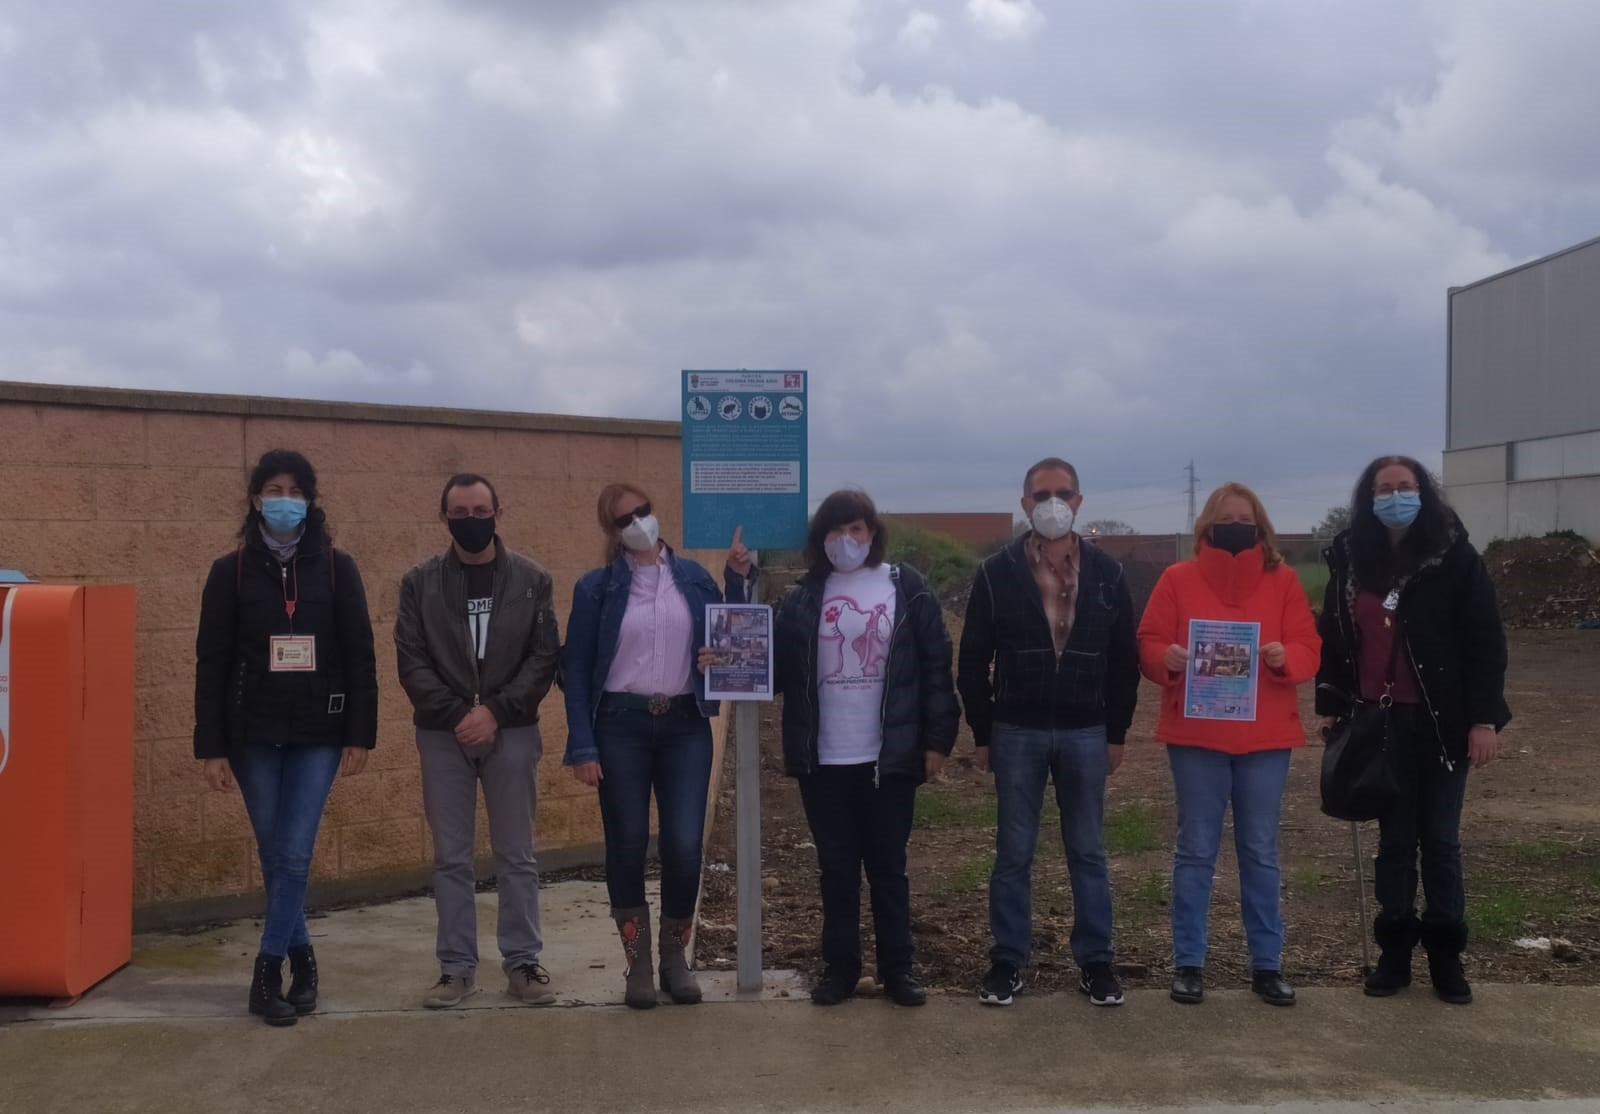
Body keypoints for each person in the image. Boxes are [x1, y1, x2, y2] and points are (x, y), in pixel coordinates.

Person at [749, 489, 960, 1007]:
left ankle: (899, 969)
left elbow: (936, 666)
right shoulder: (802, 598)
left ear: (872, 532)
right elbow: (774, 672)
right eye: (835, 531)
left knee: (888, 866)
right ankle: (840, 968)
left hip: (889, 757)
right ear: (821, 539)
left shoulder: (904, 587)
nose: (846, 541)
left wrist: (937, 741)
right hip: (822, 758)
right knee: (837, 869)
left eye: (856, 530)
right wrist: (728, 653)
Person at [1316, 455, 1510, 1005]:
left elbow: (1485, 642)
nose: (1395, 495)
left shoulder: (1456, 557)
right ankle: (1394, 954)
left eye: (1405, 487)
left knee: (1441, 841)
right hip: (1378, 721)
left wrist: (1484, 719)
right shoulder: (1351, 558)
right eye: (1384, 488)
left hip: (1444, 722)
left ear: (1423, 493)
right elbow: (1333, 635)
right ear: (1369, 497)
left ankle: (1447, 957)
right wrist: (1330, 701)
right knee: (1396, 841)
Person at [194, 449, 378, 1027]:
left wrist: (360, 733)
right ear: (255, 500)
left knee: (294, 853)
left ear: (310, 502)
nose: (285, 500)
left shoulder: (337, 567)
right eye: (274, 489)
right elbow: (212, 661)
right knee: (276, 857)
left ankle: (266, 970)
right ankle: (304, 960)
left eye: (296, 492)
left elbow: (360, 654)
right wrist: (212, 745)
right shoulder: (230, 571)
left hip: (320, 732)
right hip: (252, 733)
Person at [562, 485, 754, 1009]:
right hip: (619, 727)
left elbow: (733, 634)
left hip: (685, 725)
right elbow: (575, 669)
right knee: (626, 844)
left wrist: (738, 578)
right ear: (611, 529)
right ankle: (637, 964)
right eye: (624, 518)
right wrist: (582, 744)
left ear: (655, 511)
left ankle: (675, 958)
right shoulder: (595, 588)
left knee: (684, 844)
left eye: (642, 512)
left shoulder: (693, 578)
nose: (637, 523)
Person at [958, 458, 1139, 1008]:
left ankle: (1097, 962)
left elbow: (1124, 660)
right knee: (1014, 853)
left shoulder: (1109, 573)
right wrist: (985, 733)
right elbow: (972, 661)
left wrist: (1117, 732)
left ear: (1079, 502)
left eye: (1062, 493)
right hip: (1018, 731)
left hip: (1087, 731)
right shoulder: (996, 572)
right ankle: (1008, 959)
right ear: (1025, 504)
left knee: (1087, 850)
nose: (1052, 502)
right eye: (1041, 494)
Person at [1136, 483, 1321, 1007]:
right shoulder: (1177, 579)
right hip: (1197, 736)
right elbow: (1147, 642)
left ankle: (1267, 964)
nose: (1236, 524)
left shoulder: (1282, 582)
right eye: (1227, 516)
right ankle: (1189, 963)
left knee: (1260, 851)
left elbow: (1310, 646)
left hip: (1266, 737)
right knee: (1195, 850)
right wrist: (1164, 660)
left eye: (1245, 517)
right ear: (1207, 527)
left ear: (1260, 527)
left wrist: (1288, 658)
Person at [395, 473, 561, 1009]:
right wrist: (459, 715)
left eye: (480, 509)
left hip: (511, 731)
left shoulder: (532, 579)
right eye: (460, 512)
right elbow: (411, 660)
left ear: (498, 510)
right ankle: (456, 968)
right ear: (443, 517)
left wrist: (495, 712)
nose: (472, 520)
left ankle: (523, 962)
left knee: (516, 854)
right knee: (451, 858)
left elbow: (543, 658)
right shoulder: (419, 583)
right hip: (443, 736)